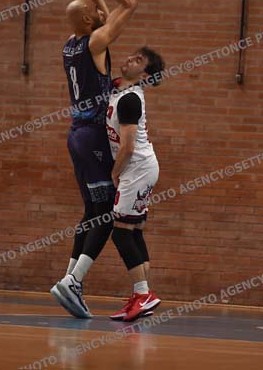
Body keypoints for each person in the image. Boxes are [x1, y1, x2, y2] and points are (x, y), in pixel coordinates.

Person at [51, 0, 138, 319]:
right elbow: (129, 4)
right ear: (88, 21)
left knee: (91, 209)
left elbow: (102, 15)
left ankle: (69, 278)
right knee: (105, 213)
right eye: (93, 14)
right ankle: (74, 281)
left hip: (76, 135)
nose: (101, 15)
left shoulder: (71, 44)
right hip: (93, 137)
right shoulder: (96, 42)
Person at [106, 47, 164, 322]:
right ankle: (141, 296)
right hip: (142, 167)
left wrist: (114, 173)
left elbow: (127, 147)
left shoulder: (130, 99)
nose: (129, 58)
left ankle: (143, 294)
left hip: (136, 168)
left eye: (138, 60)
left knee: (120, 233)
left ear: (145, 75)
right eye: (133, 55)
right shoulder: (121, 89)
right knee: (134, 232)